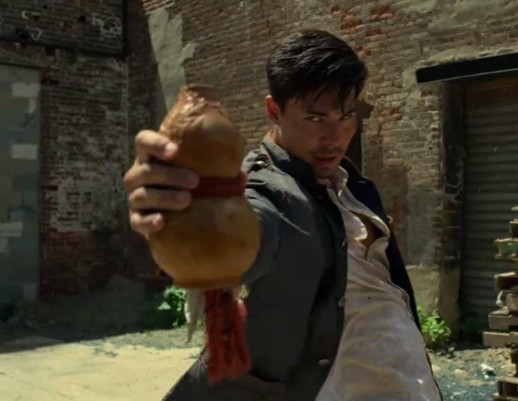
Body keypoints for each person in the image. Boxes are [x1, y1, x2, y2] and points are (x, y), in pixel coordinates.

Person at [123, 29, 443, 401]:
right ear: (274, 111)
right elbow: (245, 234)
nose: (335, 137)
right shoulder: (265, 189)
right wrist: (181, 210)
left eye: (345, 116)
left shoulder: (356, 185)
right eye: (315, 118)